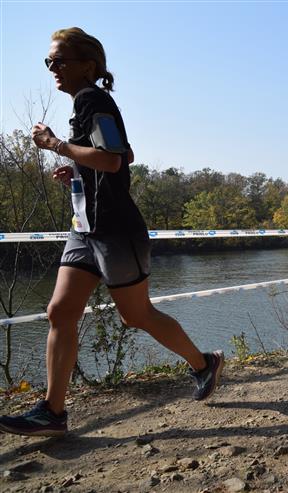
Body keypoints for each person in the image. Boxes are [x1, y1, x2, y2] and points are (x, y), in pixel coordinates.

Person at [0, 28, 223, 438]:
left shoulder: (92, 99)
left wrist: (56, 145)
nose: (52, 68)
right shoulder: (86, 104)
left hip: (116, 230)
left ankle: (204, 363)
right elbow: (123, 153)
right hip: (85, 229)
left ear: (88, 65)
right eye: (49, 62)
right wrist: (76, 172)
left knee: (135, 315)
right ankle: (53, 412)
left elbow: (115, 160)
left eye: (59, 61)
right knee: (59, 312)